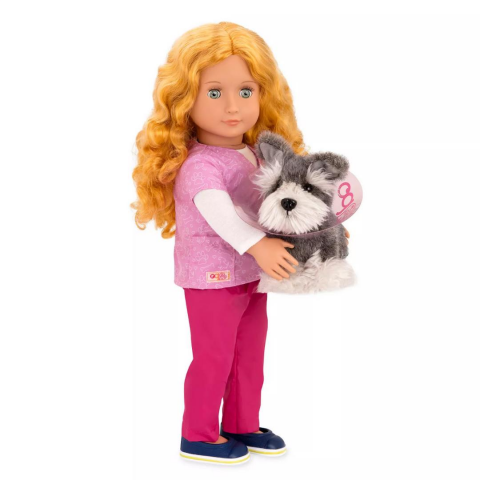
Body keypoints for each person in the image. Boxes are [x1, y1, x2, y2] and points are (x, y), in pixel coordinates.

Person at [131, 21, 350, 465]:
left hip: (252, 272)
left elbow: (274, 207)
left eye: (245, 91)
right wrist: (258, 246)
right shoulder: (200, 166)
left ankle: (241, 423)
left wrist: (320, 229)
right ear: (183, 99)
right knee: (213, 356)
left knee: (249, 353)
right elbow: (223, 215)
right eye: (214, 93)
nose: (233, 107)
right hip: (212, 275)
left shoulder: (251, 153)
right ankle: (197, 434)